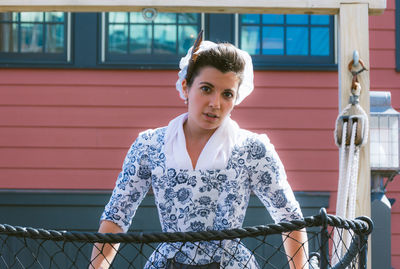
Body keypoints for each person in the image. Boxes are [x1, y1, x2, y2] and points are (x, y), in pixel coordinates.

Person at [90, 32, 309, 269]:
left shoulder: (252, 148)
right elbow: (116, 217)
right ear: (186, 87)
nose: (215, 103)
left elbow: (290, 218)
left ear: (236, 98)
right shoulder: (149, 145)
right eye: (206, 89)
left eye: (227, 94)